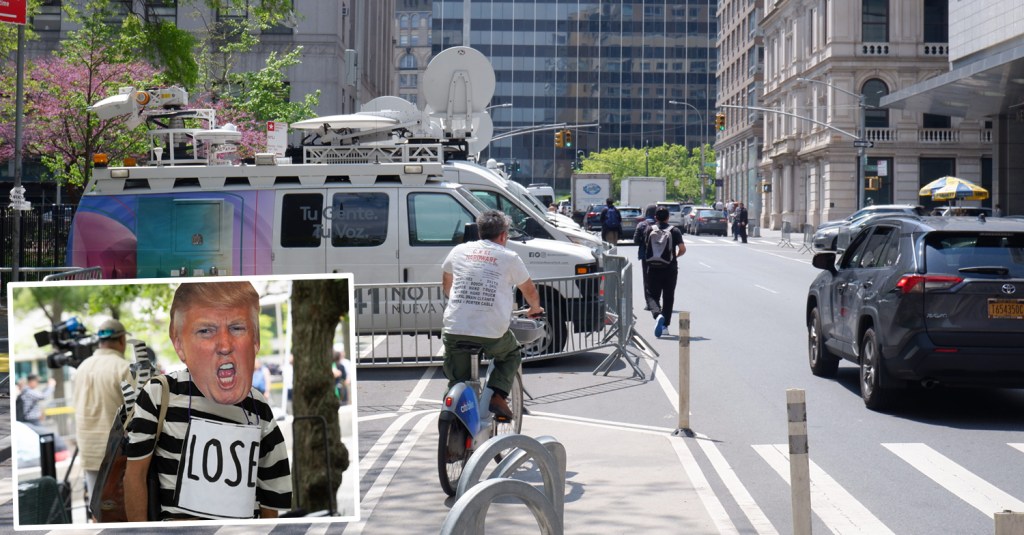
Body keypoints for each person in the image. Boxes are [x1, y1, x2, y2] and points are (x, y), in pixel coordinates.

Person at [124, 281, 291, 521]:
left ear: (255, 342)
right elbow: (135, 476)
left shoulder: (259, 407)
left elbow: (271, 495)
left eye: (237, 328)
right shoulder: (159, 395)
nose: (224, 345)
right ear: (179, 344)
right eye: (206, 330)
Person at [441, 210, 543, 421]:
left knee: (457, 380)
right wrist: (535, 308)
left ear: (479, 232)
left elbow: (446, 285)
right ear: (504, 235)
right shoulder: (509, 257)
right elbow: (530, 291)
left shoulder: (459, 250)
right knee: (510, 354)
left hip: (454, 328)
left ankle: (452, 417)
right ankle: (498, 396)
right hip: (491, 331)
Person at [72, 318, 132, 499]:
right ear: (122, 341)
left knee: (97, 506)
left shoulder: (82, 368)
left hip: (89, 451)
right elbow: (137, 414)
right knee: (119, 512)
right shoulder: (124, 368)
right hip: (116, 454)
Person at [644, 207, 686, 338]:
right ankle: (664, 326)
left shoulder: (649, 229)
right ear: (668, 217)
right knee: (668, 296)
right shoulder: (674, 230)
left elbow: (646, 245)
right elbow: (682, 249)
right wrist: (675, 256)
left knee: (651, 295)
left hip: (653, 267)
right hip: (670, 268)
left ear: (656, 217)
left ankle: (658, 315)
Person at [633, 203, 659, 310]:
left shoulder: (642, 225)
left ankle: (649, 303)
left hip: (645, 256)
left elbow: (635, 241)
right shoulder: (660, 225)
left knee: (647, 279)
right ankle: (657, 301)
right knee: (657, 279)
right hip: (659, 256)